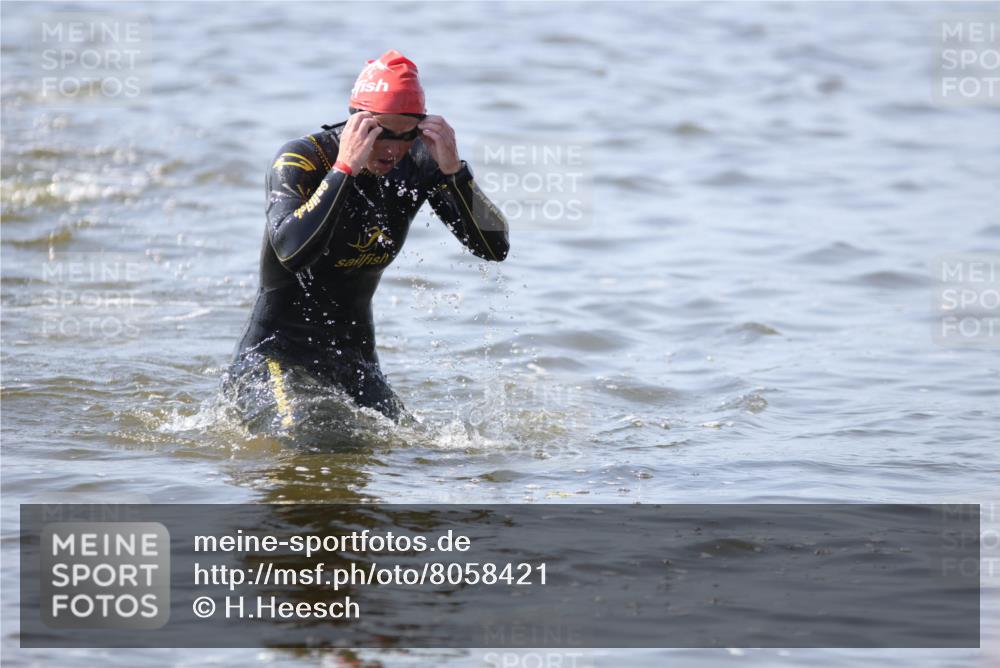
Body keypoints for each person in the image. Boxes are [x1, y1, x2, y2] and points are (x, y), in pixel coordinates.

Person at [224, 50, 509, 429]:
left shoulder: (421, 162)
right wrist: (344, 169)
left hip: (353, 361)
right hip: (276, 357)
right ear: (356, 120)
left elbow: (494, 248)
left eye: (405, 135)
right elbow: (290, 251)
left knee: (411, 450)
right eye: (379, 132)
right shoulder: (302, 160)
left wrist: (455, 172)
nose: (392, 148)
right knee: (301, 442)